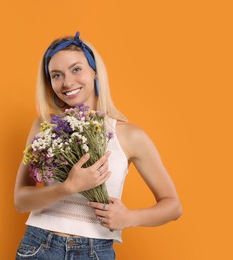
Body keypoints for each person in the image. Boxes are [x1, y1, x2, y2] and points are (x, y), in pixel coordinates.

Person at [14, 32, 182, 259]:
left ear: (95, 72)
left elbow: (173, 206)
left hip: (95, 251)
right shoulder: (45, 126)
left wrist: (129, 218)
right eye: (56, 75)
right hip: (40, 247)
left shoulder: (129, 135)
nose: (67, 83)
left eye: (76, 69)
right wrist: (67, 187)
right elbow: (21, 200)